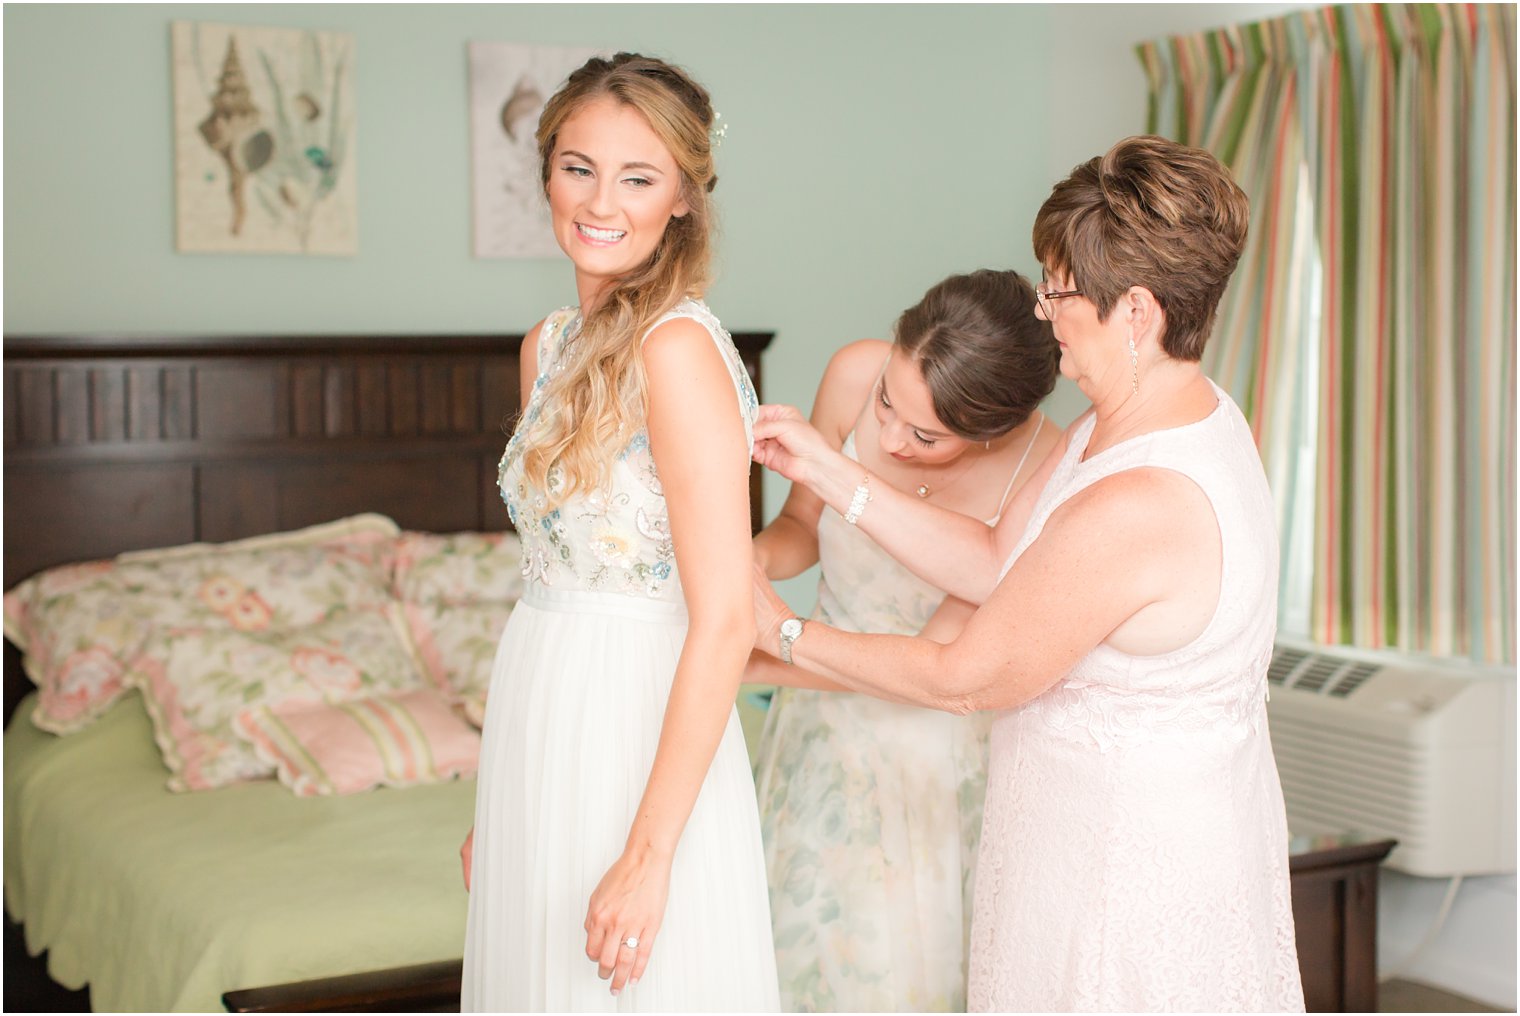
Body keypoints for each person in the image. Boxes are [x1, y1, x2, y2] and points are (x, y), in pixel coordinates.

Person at [748, 135, 1306, 1012]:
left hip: (1122, 884)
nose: (1043, 312)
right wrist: (827, 473)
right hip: (1076, 845)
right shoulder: (1138, 419)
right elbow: (996, 558)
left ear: (1139, 314)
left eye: (1062, 291)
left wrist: (772, 628)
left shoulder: (1141, 501)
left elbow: (962, 677)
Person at [460, 53, 779, 1012]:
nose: (601, 200)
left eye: (638, 178)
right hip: (537, 704)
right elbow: (543, 576)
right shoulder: (546, 345)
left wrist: (648, 854)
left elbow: (726, 619)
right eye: (578, 167)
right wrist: (495, 793)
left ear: (682, 196)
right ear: (548, 172)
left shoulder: (676, 350)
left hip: (641, 722)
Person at [747, 270, 1060, 1012]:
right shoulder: (856, 371)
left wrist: (761, 650)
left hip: (930, 759)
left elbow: (932, 666)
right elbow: (801, 528)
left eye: (925, 436)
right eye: (889, 402)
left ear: (996, 427)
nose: (888, 438)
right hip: (817, 738)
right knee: (794, 958)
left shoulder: (1036, 471)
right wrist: (750, 566)